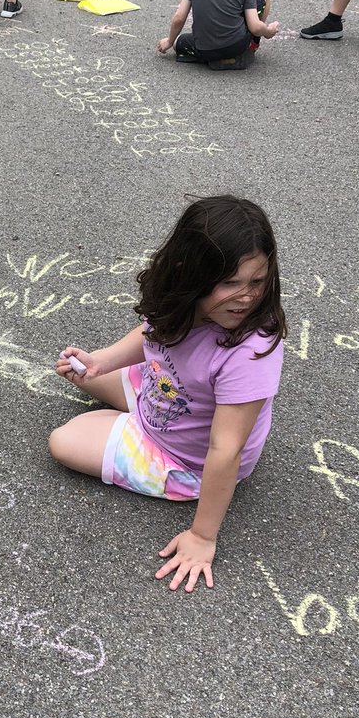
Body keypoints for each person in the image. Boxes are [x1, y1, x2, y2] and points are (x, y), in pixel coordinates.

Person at [49, 197, 286, 594]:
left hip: (185, 457)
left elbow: (225, 450)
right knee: (82, 373)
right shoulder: (182, 304)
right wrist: (103, 361)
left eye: (257, 282)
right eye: (230, 283)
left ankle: (134, 435)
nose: (246, 297)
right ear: (188, 275)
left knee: (64, 440)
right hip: (166, 391)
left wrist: (202, 536)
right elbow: (151, 334)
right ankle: (126, 418)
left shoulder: (249, 350)